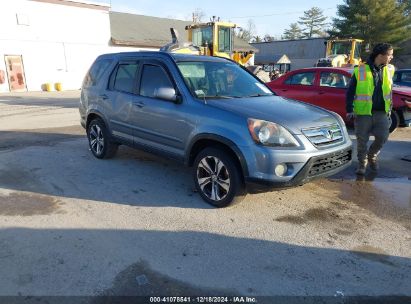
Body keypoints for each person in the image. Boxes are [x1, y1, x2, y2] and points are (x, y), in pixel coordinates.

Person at [346, 43, 395, 175]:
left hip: (381, 113)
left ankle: (372, 156)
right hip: (363, 113)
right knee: (362, 141)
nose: (391, 57)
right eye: (389, 55)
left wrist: (390, 107)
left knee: (382, 137)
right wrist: (349, 109)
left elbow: (389, 90)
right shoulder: (360, 69)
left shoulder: (390, 69)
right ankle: (362, 165)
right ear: (380, 55)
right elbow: (350, 91)